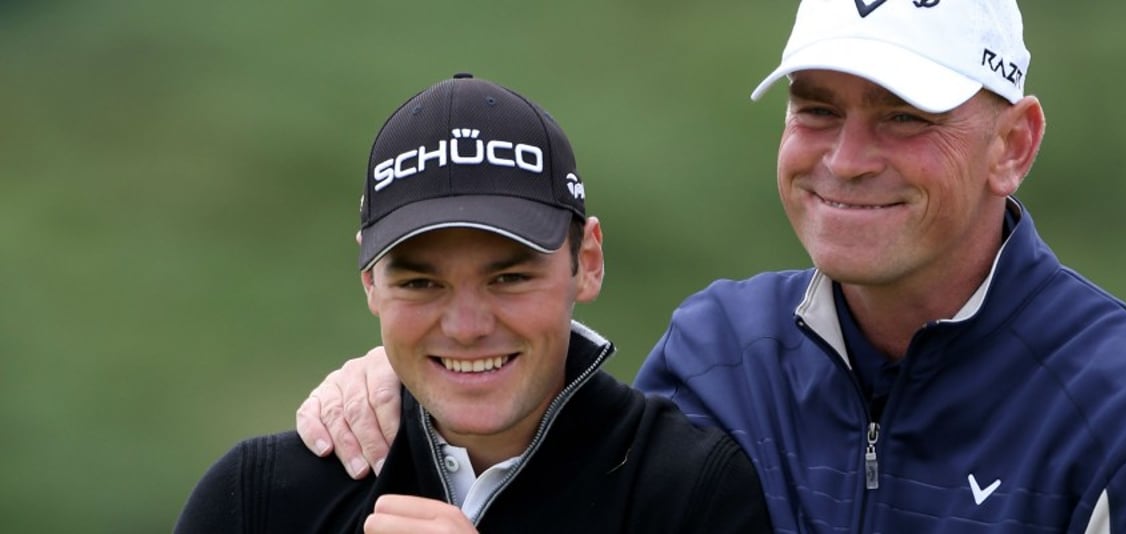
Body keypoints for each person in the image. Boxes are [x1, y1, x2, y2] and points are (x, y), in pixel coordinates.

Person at [294, 1, 1126, 532]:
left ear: (1011, 144)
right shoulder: (718, 352)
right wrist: (422, 374)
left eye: (903, 118)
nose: (846, 159)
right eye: (816, 109)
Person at [175, 74, 772, 533]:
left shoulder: (692, 494)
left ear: (586, 261)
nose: (465, 328)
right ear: (369, 280)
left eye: (509, 278)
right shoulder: (259, 498)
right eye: (420, 283)